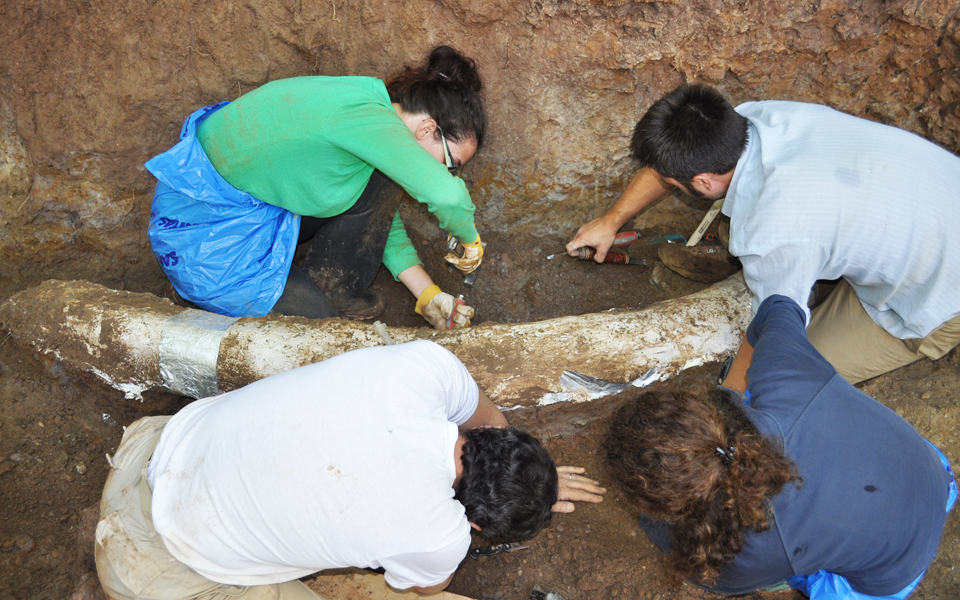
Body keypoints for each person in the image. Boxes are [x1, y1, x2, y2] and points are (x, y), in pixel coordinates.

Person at [94, 340, 606, 600]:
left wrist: (527, 479)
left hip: (157, 444)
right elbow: (427, 586)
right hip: (154, 564)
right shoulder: (436, 536)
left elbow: (489, 416)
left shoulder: (428, 367)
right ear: (472, 523)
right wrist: (479, 527)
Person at [566, 83, 960, 384]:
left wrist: (733, 396)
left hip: (933, 297)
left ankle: (803, 287)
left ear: (703, 182)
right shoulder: (759, 118)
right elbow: (669, 165)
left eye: (673, 181)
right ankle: (807, 276)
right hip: (927, 203)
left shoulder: (775, 231)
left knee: (773, 377)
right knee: (742, 234)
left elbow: (771, 328)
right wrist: (611, 220)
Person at [605, 294, 956, 600]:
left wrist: (652, 523)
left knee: (797, 576)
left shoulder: (750, 551)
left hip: (897, 570)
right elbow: (778, 306)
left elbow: (711, 574)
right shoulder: (784, 377)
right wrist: (729, 389)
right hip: (932, 473)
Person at [146, 46, 486, 329]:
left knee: (382, 185)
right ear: (428, 129)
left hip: (241, 212)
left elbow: (378, 218)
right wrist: (470, 240)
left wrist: (427, 294)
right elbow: (447, 196)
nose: (446, 173)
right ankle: (204, 302)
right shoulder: (370, 122)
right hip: (207, 247)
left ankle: (333, 288)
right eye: (450, 164)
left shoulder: (367, 104)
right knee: (322, 334)